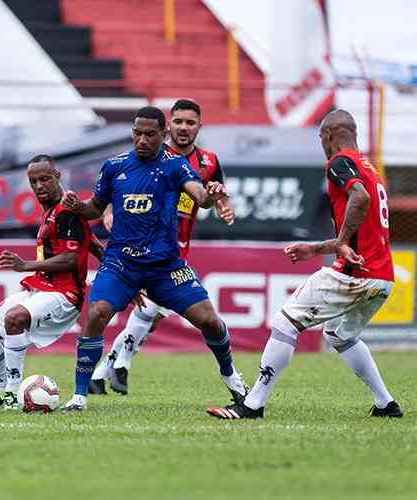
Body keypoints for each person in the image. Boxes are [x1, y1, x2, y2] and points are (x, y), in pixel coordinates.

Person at [208, 109, 402, 419]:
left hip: (354, 274)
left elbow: (359, 198)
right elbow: (359, 229)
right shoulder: (371, 169)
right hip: (382, 278)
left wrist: (338, 244)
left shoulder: (340, 162)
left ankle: (252, 404)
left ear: (327, 136)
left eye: (320, 139)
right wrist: (317, 247)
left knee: (286, 322)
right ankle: (386, 403)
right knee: (340, 335)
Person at [59, 106, 247, 412]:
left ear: (163, 135)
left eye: (150, 134)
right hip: (121, 263)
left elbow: (200, 196)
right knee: (96, 314)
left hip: (165, 266)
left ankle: (232, 378)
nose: (142, 140)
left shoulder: (175, 166)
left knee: (210, 322)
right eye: (137, 133)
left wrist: (213, 196)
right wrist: (76, 206)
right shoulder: (113, 166)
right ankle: (80, 395)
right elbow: (94, 208)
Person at [0, 155, 101, 410]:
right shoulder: (51, 211)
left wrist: (25, 265)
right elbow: (92, 242)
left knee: (15, 318)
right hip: (40, 288)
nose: (39, 186)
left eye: (44, 179)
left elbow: (71, 259)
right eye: (33, 181)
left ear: (57, 176)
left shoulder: (67, 212)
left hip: (65, 294)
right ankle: (1, 390)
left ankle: (12, 394)